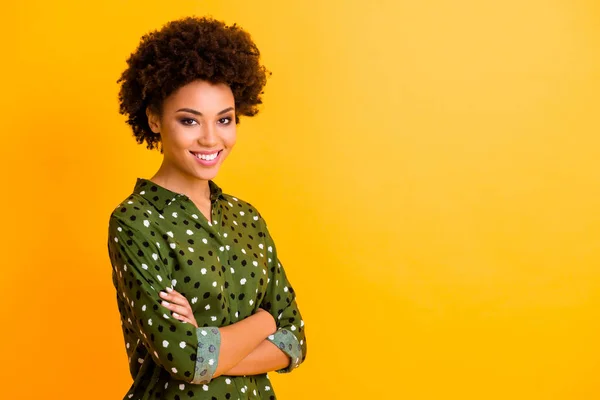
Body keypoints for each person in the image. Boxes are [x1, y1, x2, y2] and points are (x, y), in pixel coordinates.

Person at [106, 16, 307, 400]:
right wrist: (263, 321)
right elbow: (185, 357)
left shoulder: (246, 218)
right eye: (189, 120)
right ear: (154, 119)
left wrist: (212, 347)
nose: (211, 138)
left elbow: (295, 340)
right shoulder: (135, 222)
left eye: (225, 120)